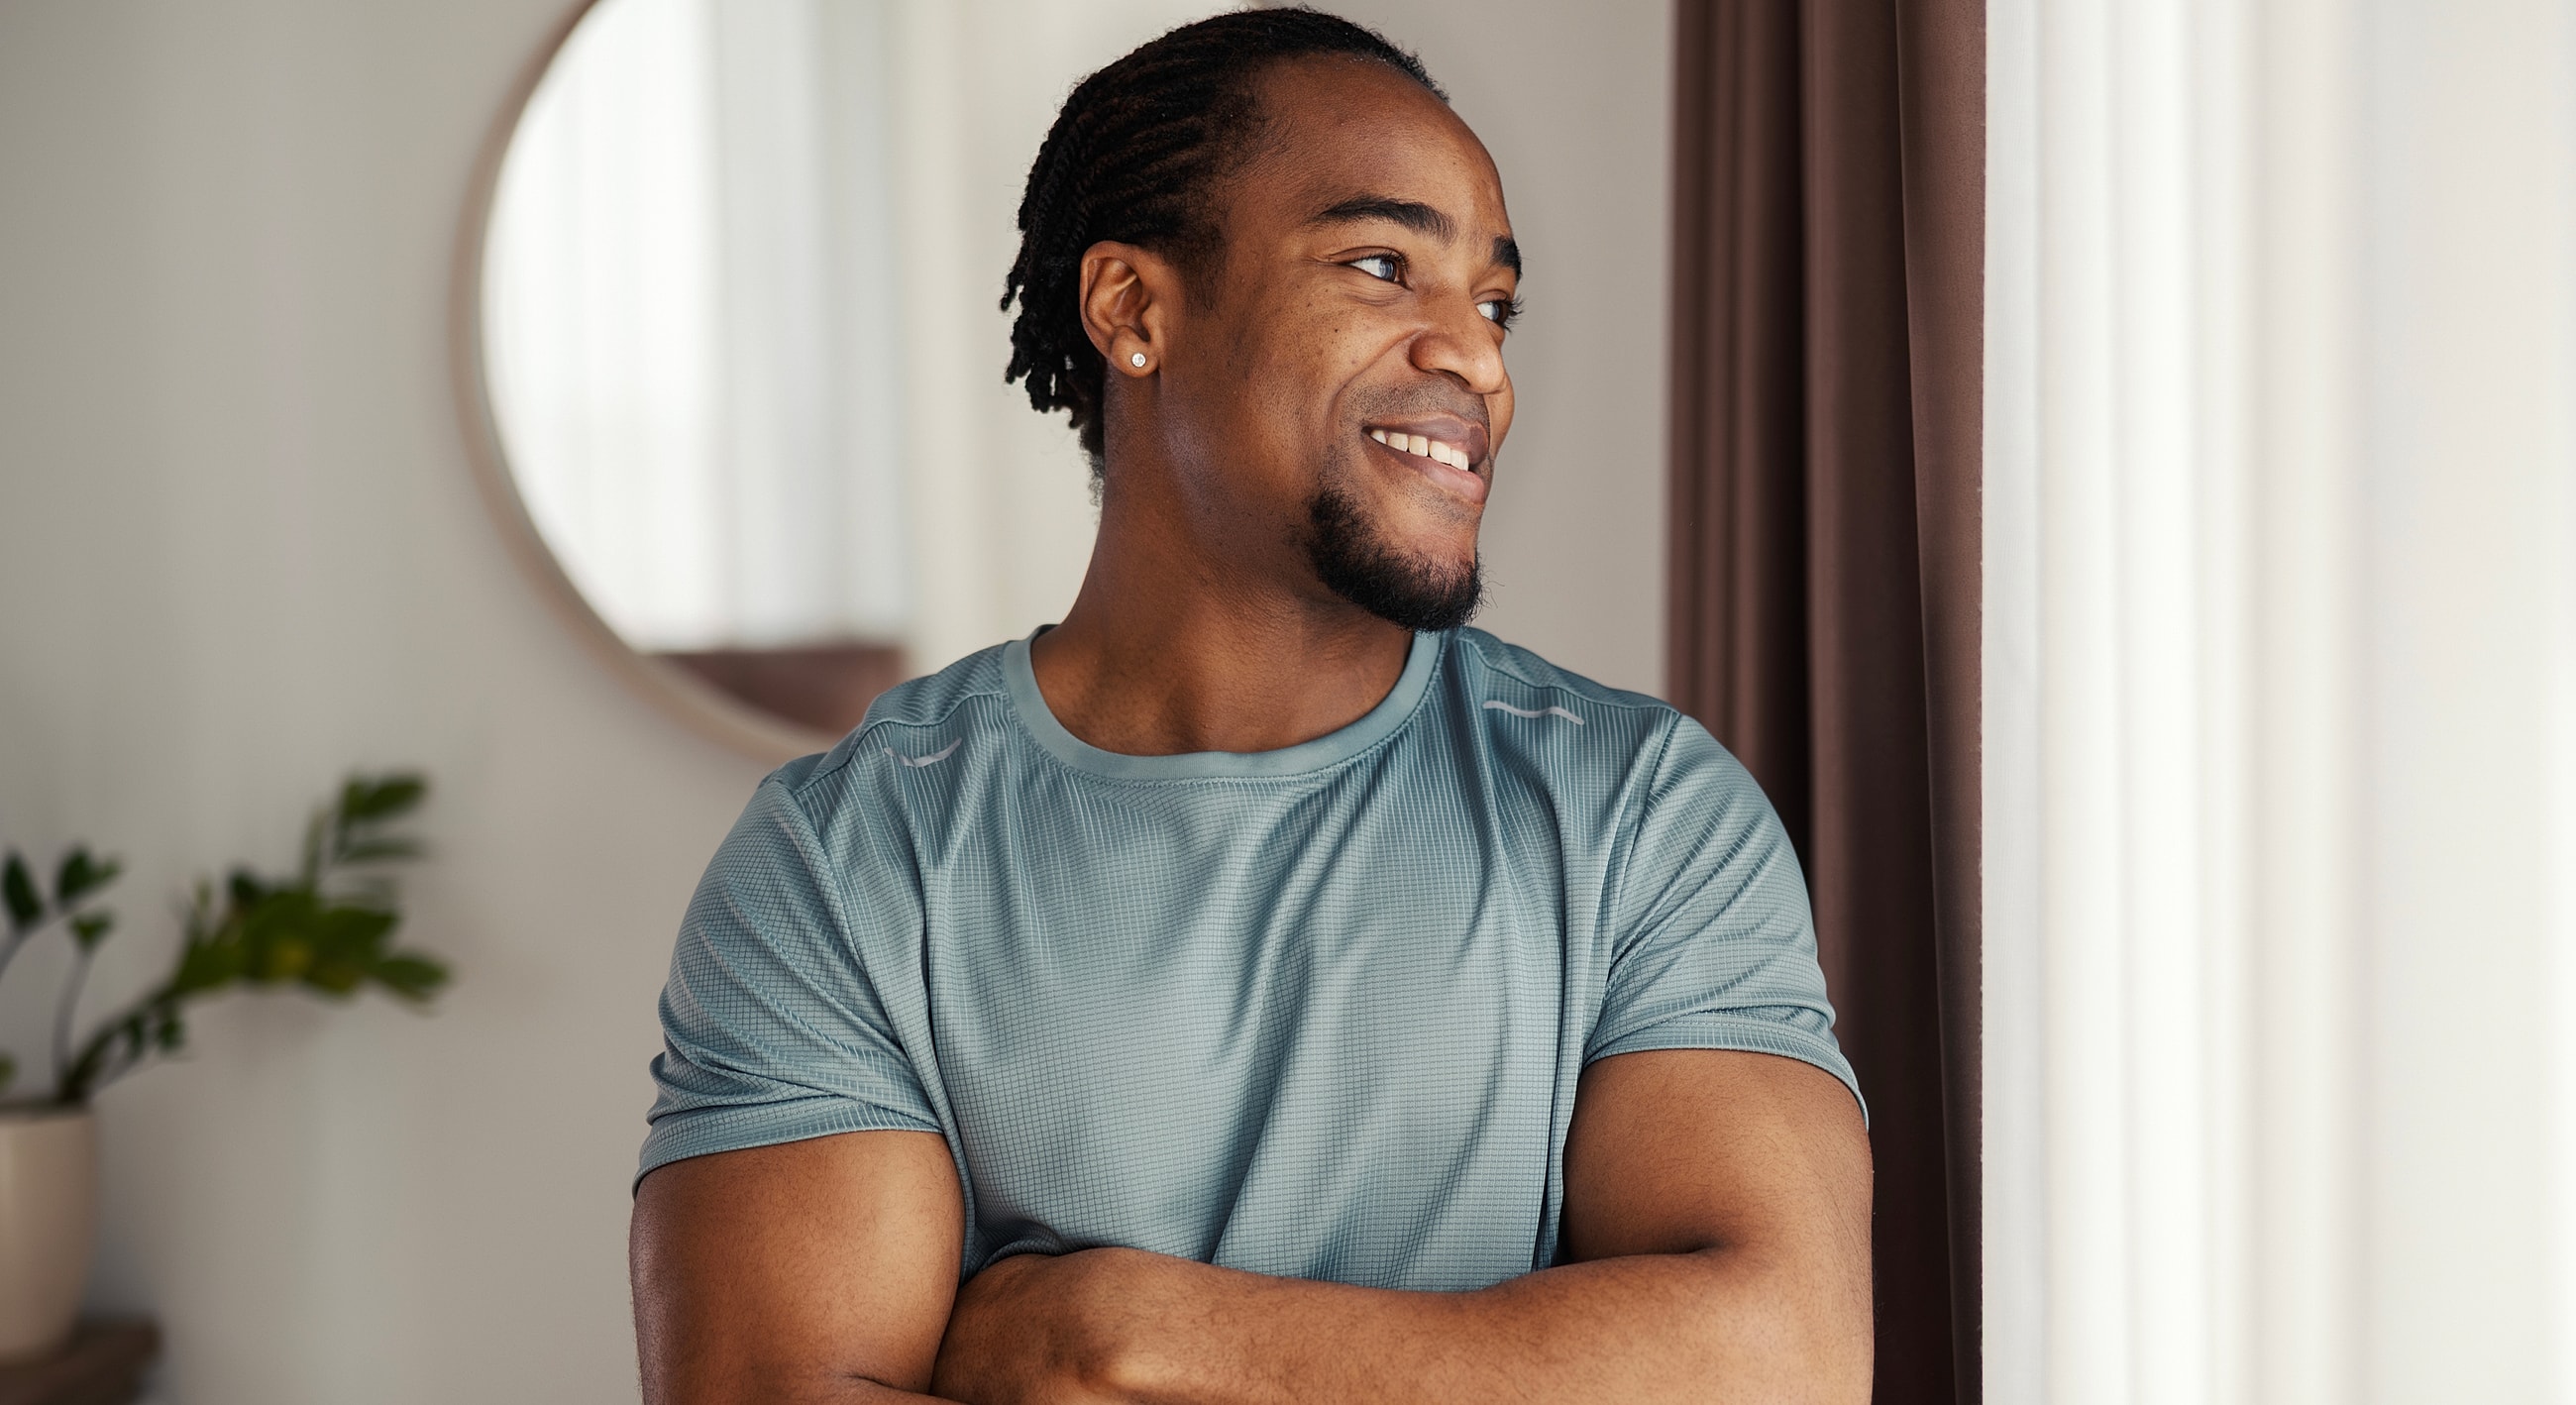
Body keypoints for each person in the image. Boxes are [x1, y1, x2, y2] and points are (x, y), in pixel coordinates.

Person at [628, 11, 1870, 1402]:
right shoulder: (846, 862)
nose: (1478, 357)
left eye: (1495, 301)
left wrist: (1108, 1334)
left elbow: (1783, 1356)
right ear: (1134, 311)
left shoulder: (1642, 812)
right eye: (1383, 265)